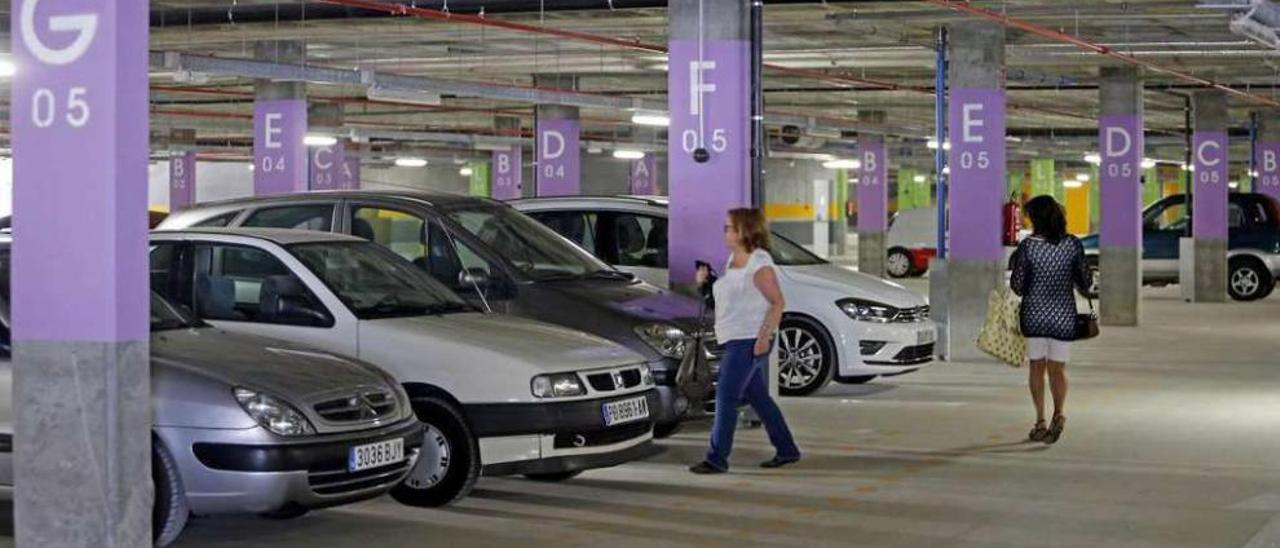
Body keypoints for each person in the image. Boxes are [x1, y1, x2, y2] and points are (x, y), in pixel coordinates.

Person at [689, 208, 801, 474]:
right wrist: (706, 284)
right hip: (734, 337)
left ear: (744, 231)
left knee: (726, 397)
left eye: (730, 227)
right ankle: (787, 449)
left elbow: (778, 303)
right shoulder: (733, 259)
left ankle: (716, 458)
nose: (725, 231)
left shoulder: (759, 263)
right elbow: (731, 299)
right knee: (759, 399)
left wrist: (764, 338)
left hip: (749, 340)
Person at [1009, 195, 1090, 445]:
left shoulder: (1028, 247)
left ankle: (1040, 422)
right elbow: (1085, 282)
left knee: (1036, 367)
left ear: (1036, 219)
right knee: (1058, 369)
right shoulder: (1072, 244)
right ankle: (1059, 413)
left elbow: (1018, 286)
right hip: (1063, 315)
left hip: (1034, 315)